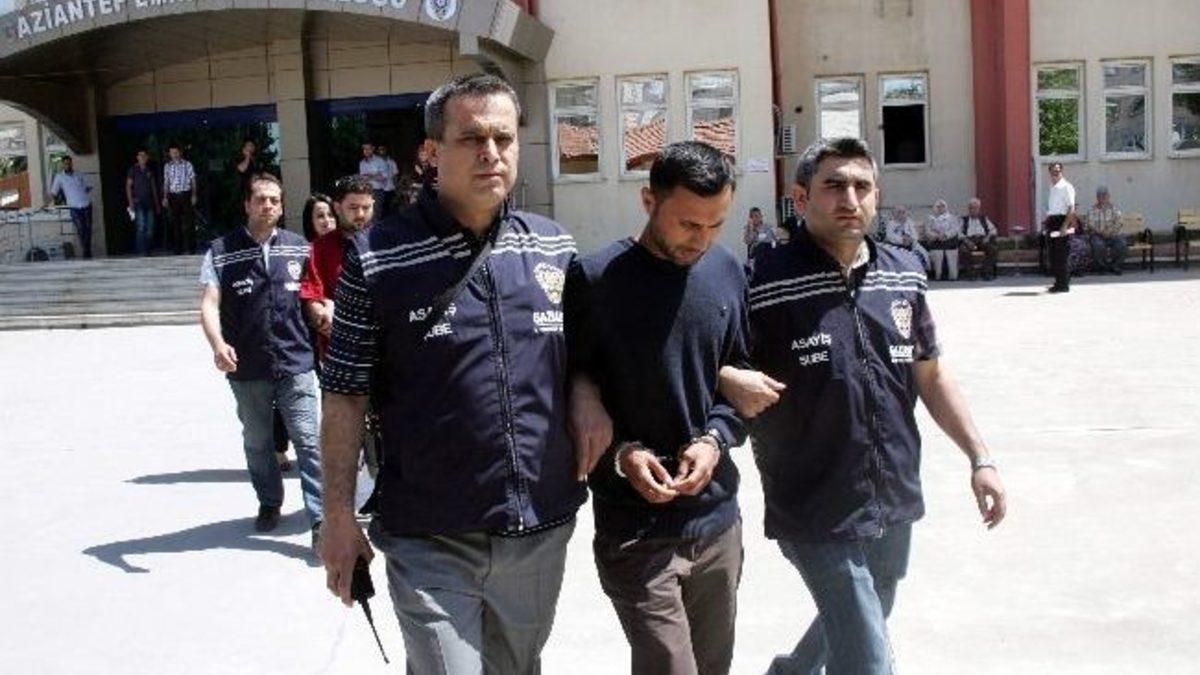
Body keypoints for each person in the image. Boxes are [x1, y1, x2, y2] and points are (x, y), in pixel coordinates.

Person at [318, 74, 588, 673]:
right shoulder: (376, 257)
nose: (492, 153)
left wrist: (588, 392)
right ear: (431, 152)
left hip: (537, 527)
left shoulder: (553, 247)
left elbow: (586, 356)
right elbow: (343, 394)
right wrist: (337, 515)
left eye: (503, 138)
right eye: (472, 138)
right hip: (429, 534)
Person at [719, 137, 1007, 675]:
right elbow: (705, 353)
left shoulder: (904, 271)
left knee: (869, 609)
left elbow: (931, 373)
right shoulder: (761, 280)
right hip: (811, 499)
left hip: (892, 490)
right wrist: (727, 375)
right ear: (801, 198)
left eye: (861, 186)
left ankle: (791, 673)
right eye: (833, 186)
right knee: (868, 657)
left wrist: (980, 457)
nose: (850, 199)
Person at [565, 141, 749, 675]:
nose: (703, 239)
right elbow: (563, 395)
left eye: (716, 224)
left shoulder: (727, 272)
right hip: (634, 530)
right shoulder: (594, 281)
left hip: (717, 523)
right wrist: (621, 455)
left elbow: (739, 378)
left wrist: (715, 439)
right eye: (689, 224)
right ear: (649, 201)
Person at [197, 172, 323, 544]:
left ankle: (321, 520)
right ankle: (269, 502)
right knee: (257, 442)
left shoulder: (299, 248)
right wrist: (217, 344)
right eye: (261, 199)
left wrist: (324, 312)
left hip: (295, 361)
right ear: (247, 204)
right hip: (248, 367)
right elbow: (209, 303)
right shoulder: (221, 251)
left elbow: (314, 296)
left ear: (282, 206)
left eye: (274, 200)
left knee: (309, 441)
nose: (268, 205)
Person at [300, 177, 374, 360]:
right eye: (353, 207)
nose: (360, 214)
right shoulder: (319, 248)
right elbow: (311, 297)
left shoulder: (387, 243)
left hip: (385, 351)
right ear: (338, 207)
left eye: (366, 207)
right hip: (340, 351)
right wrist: (320, 314)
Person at [48, 155, 94, 259]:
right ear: (63, 165)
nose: (68, 165)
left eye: (69, 163)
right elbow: (54, 193)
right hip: (74, 207)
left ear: (72, 163)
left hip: (86, 204)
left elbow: (87, 187)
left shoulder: (79, 174)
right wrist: (47, 203)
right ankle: (86, 252)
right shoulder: (60, 177)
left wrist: (87, 189)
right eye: (65, 164)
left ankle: (87, 250)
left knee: (88, 229)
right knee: (80, 229)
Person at [1043, 162, 1076, 293]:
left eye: (1058, 171)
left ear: (1062, 171)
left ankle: (1063, 284)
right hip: (1053, 220)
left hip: (1061, 221)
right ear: (1050, 173)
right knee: (1053, 254)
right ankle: (1058, 282)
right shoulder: (1053, 187)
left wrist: (1064, 226)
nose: (1055, 173)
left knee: (1061, 254)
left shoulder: (1066, 186)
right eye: (1053, 171)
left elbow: (1071, 208)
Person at [162, 142, 198, 255]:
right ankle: (178, 249)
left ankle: (191, 248)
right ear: (170, 154)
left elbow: (193, 180)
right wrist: (165, 197)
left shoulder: (187, 164)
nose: (174, 154)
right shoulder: (167, 166)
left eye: (176, 152)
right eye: (172, 153)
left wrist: (194, 195)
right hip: (173, 196)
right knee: (175, 223)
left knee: (189, 222)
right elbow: (166, 182)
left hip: (185, 194)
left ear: (180, 152)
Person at [125, 149, 160, 256]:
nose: (143, 157)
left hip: (149, 202)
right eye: (140, 155)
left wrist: (157, 203)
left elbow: (153, 187)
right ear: (137, 157)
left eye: (144, 156)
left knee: (150, 227)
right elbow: (128, 186)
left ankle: (148, 250)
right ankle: (141, 251)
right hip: (138, 201)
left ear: (147, 158)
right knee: (141, 226)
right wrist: (130, 202)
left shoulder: (149, 170)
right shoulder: (133, 170)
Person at [1086, 186, 1126, 275]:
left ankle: (1115, 266)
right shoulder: (1092, 210)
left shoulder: (1114, 209)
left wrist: (1110, 231)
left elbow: (1119, 222)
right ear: (1097, 197)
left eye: (1105, 195)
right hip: (1097, 235)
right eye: (1101, 195)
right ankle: (1102, 267)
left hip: (1113, 234)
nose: (1103, 197)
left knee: (1122, 244)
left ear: (1108, 196)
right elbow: (1090, 224)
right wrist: (1101, 232)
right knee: (1098, 245)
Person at [958, 198, 999, 280]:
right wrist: (966, 241)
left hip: (982, 239)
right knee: (963, 251)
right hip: (969, 240)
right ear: (969, 209)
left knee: (993, 249)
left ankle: (986, 272)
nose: (974, 210)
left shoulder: (984, 219)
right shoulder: (964, 220)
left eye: (976, 208)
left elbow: (993, 230)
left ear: (979, 209)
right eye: (972, 208)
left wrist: (988, 237)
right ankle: (971, 274)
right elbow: (958, 232)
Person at [882, 204, 928, 271]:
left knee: (922, 254)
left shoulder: (910, 222)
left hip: (911, 245)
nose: (901, 214)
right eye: (899, 212)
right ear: (894, 213)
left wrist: (910, 240)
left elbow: (915, 235)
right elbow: (890, 236)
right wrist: (902, 240)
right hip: (897, 247)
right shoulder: (891, 224)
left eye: (903, 212)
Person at [923, 199, 959, 280]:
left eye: (942, 206)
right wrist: (936, 236)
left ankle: (951, 275)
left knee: (950, 252)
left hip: (949, 241)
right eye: (938, 206)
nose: (940, 208)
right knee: (938, 253)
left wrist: (945, 235)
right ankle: (939, 275)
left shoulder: (952, 217)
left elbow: (954, 230)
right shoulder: (930, 218)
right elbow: (928, 231)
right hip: (936, 241)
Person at [357, 142, 388, 224]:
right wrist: (375, 175)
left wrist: (369, 176)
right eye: (364, 149)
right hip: (366, 192)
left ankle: (376, 231)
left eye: (368, 148)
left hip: (377, 191)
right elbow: (362, 178)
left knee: (375, 215)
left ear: (373, 149)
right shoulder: (362, 163)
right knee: (366, 215)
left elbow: (384, 176)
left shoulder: (379, 161)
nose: (366, 151)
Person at [375, 143, 400, 219]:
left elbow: (395, 175)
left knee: (389, 208)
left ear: (386, 150)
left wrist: (396, 187)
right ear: (378, 151)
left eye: (383, 149)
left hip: (390, 188)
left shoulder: (391, 162)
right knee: (379, 208)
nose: (381, 151)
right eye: (380, 149)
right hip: (379, 189)